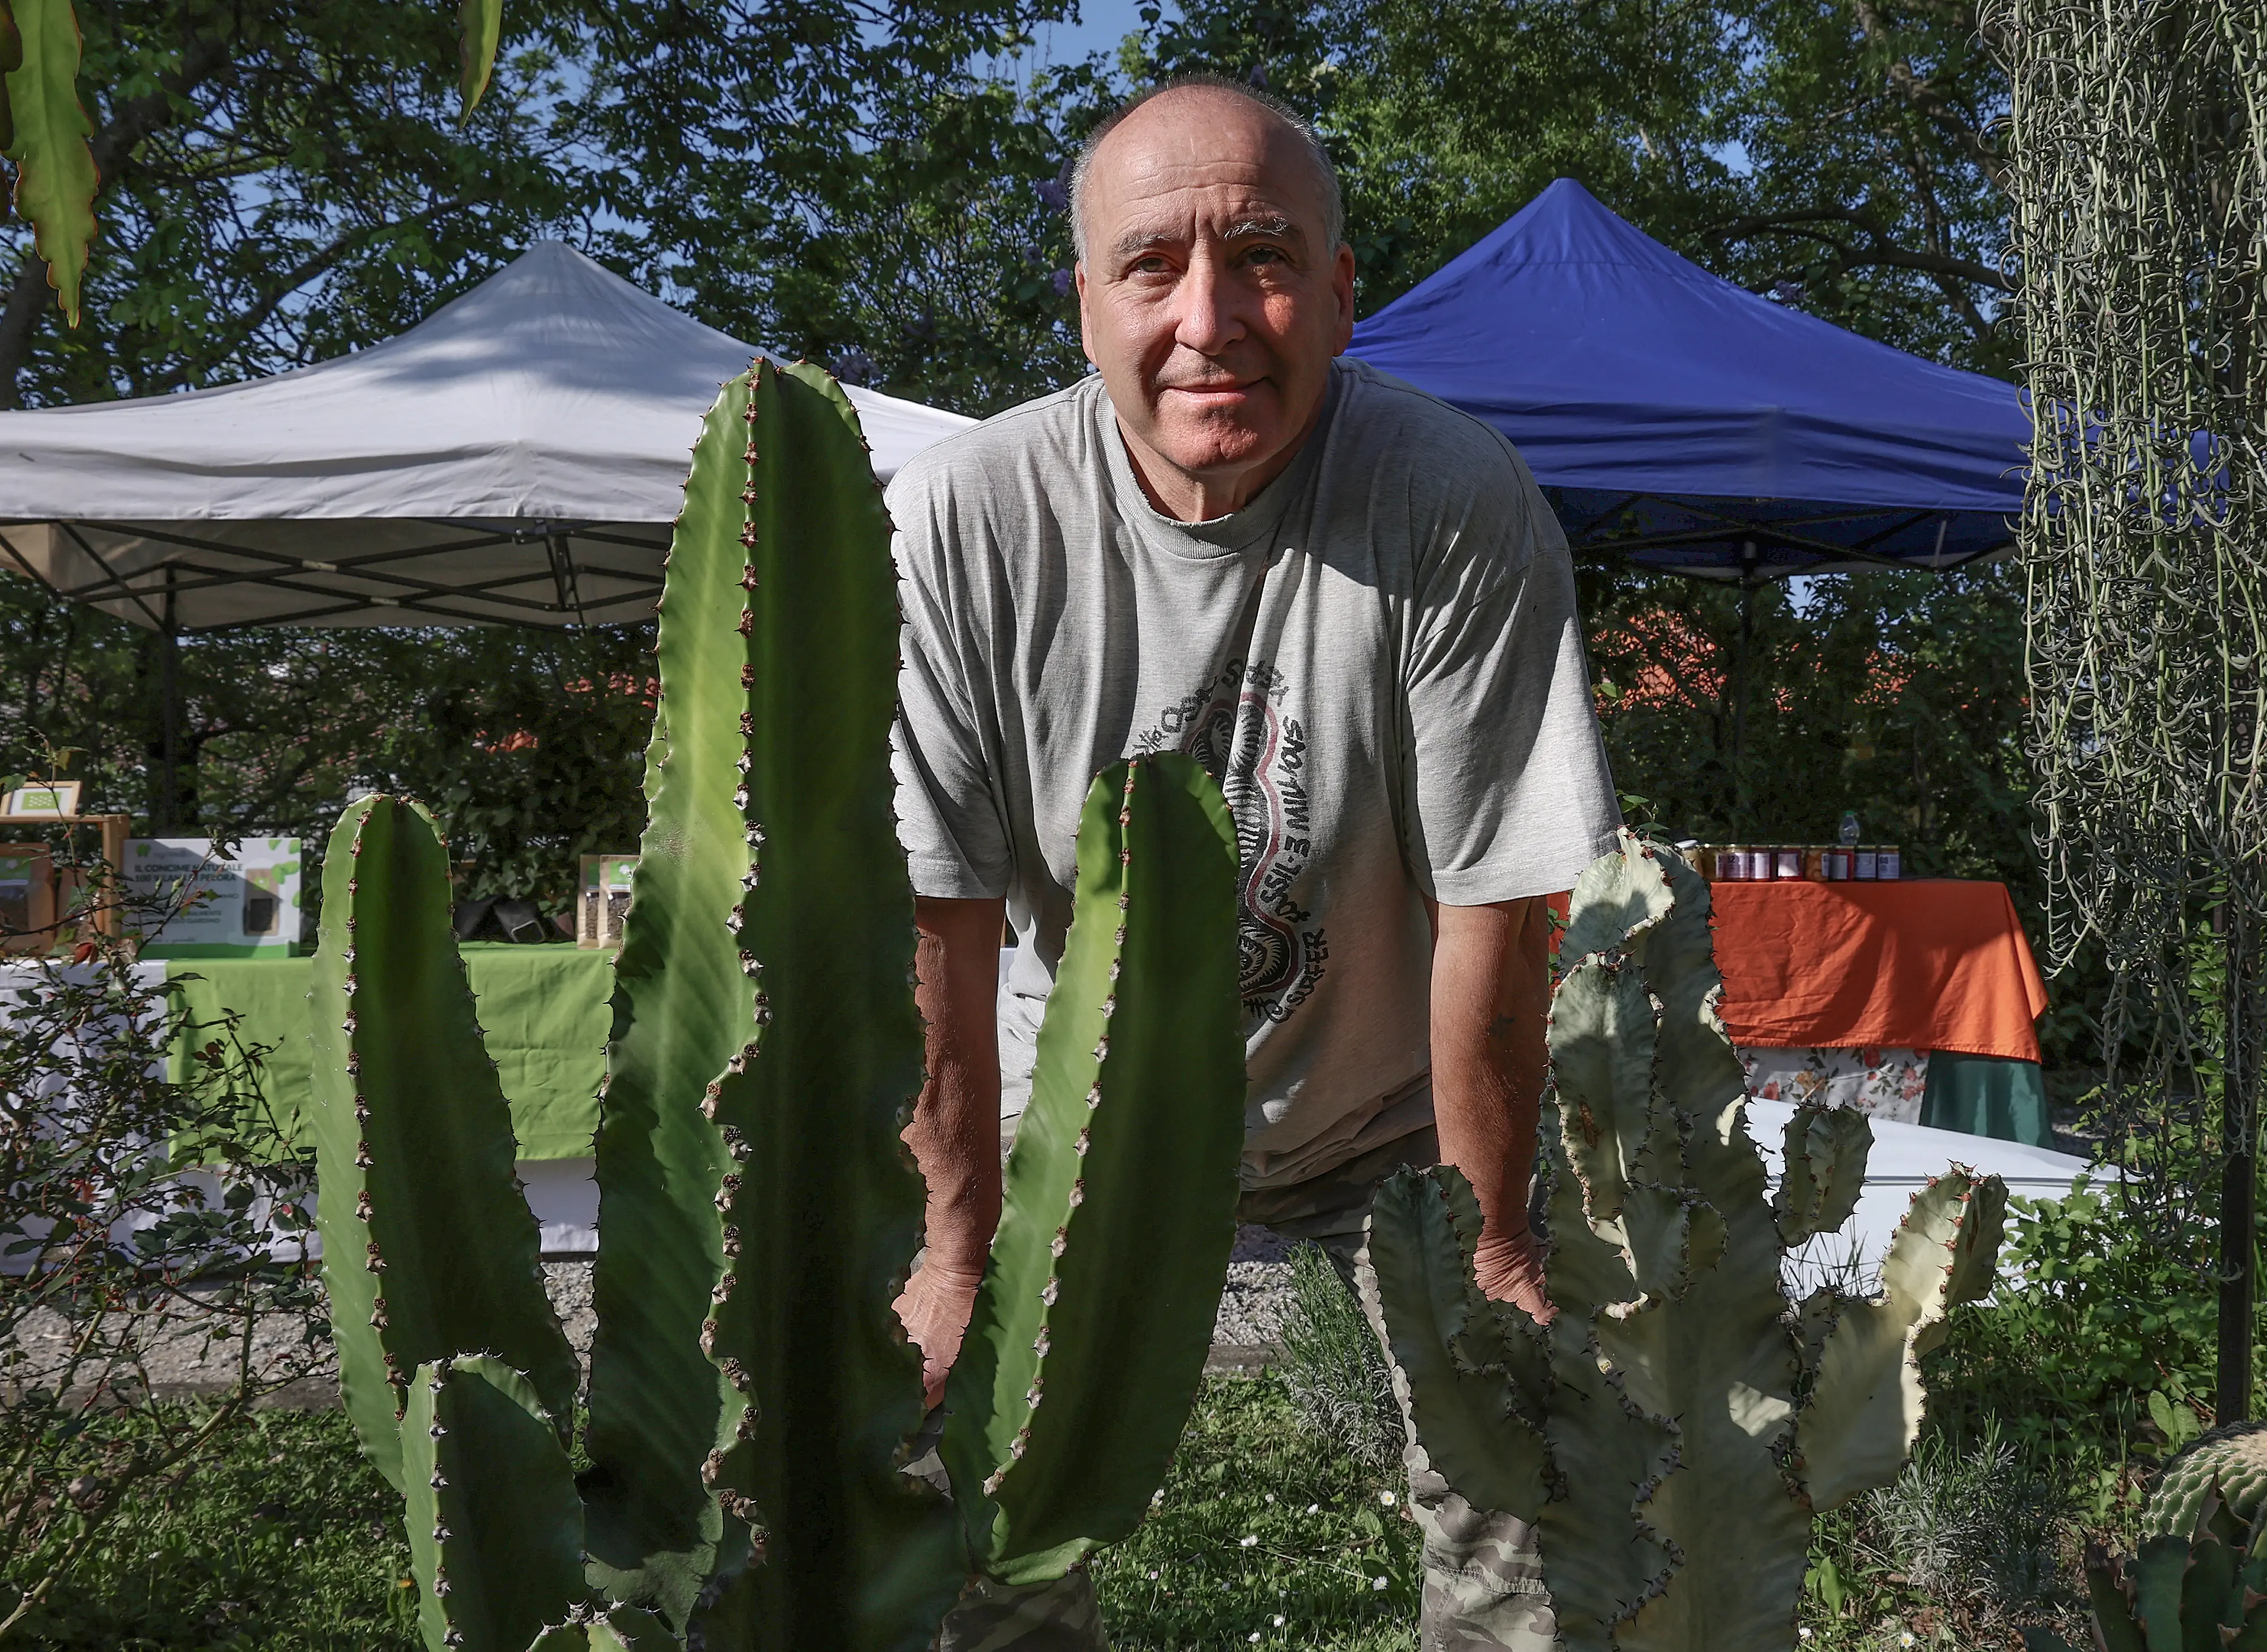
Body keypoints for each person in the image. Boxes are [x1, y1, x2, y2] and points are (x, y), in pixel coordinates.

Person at [887, 73, 1619, 1651]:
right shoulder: (966, 517)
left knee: (1518, 1453)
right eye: (1151, 265)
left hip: (1391, 1109)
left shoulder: (1452, 500)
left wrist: (1495, 1244)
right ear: (1085, 305)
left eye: (1265, 259)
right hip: (1076, 1099)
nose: (1209, 320)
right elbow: (937, 914)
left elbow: (1496, 906)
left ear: (1342, 294)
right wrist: (953, 1250)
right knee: (958, 1467)